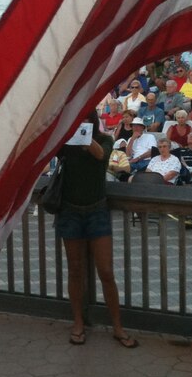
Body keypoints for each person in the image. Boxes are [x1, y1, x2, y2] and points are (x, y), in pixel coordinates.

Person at [55, 116, 137, 348]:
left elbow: (101, 156)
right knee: (75, 269)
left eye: (85, 121)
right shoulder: (66, 143)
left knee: (106, 271)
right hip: (70, 211)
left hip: (96, 211)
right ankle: (78, 323)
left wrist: (85, 139)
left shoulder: (105, 140)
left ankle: (117, 327)